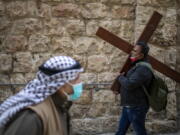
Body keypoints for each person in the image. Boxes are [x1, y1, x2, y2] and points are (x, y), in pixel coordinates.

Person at [0, 56, 84, 135]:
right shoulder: (31, 117)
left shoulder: (59, 106)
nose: (80, 82)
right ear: (60, 85)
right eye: (76, 79)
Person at [115, 42, 153, 135]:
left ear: (141, 55)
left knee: (140, 132)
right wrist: (119, 90)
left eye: (135, 51)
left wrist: (120, 77)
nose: (132, 52)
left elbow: (130, 84)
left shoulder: (143, 69)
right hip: (129, 105)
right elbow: (133, 84)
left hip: (136, 107)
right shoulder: (136, 66)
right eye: (133, 50)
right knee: (120, 131)